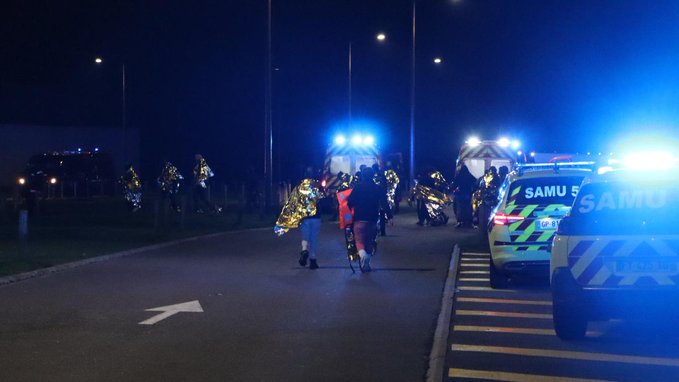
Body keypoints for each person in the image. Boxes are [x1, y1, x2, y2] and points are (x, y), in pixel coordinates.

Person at [347, 166, 391, 272]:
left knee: (359, 241)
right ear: (372, 175)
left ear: (362, 176)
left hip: (359, 219)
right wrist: (390, 216)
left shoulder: (357, 187)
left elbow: (350, 202)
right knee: (370, 242)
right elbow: (384, 203)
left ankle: (363, 256)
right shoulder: (378, 188)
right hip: (372, 220)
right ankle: (366, 265)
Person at [372, 163, 389, 236]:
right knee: (382, 215)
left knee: (374, 215)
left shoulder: (372, 177)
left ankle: (375, 230)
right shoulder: (382, 176)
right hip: (381, 198)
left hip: (373, 199)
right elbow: (385, 186)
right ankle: (383, 231)